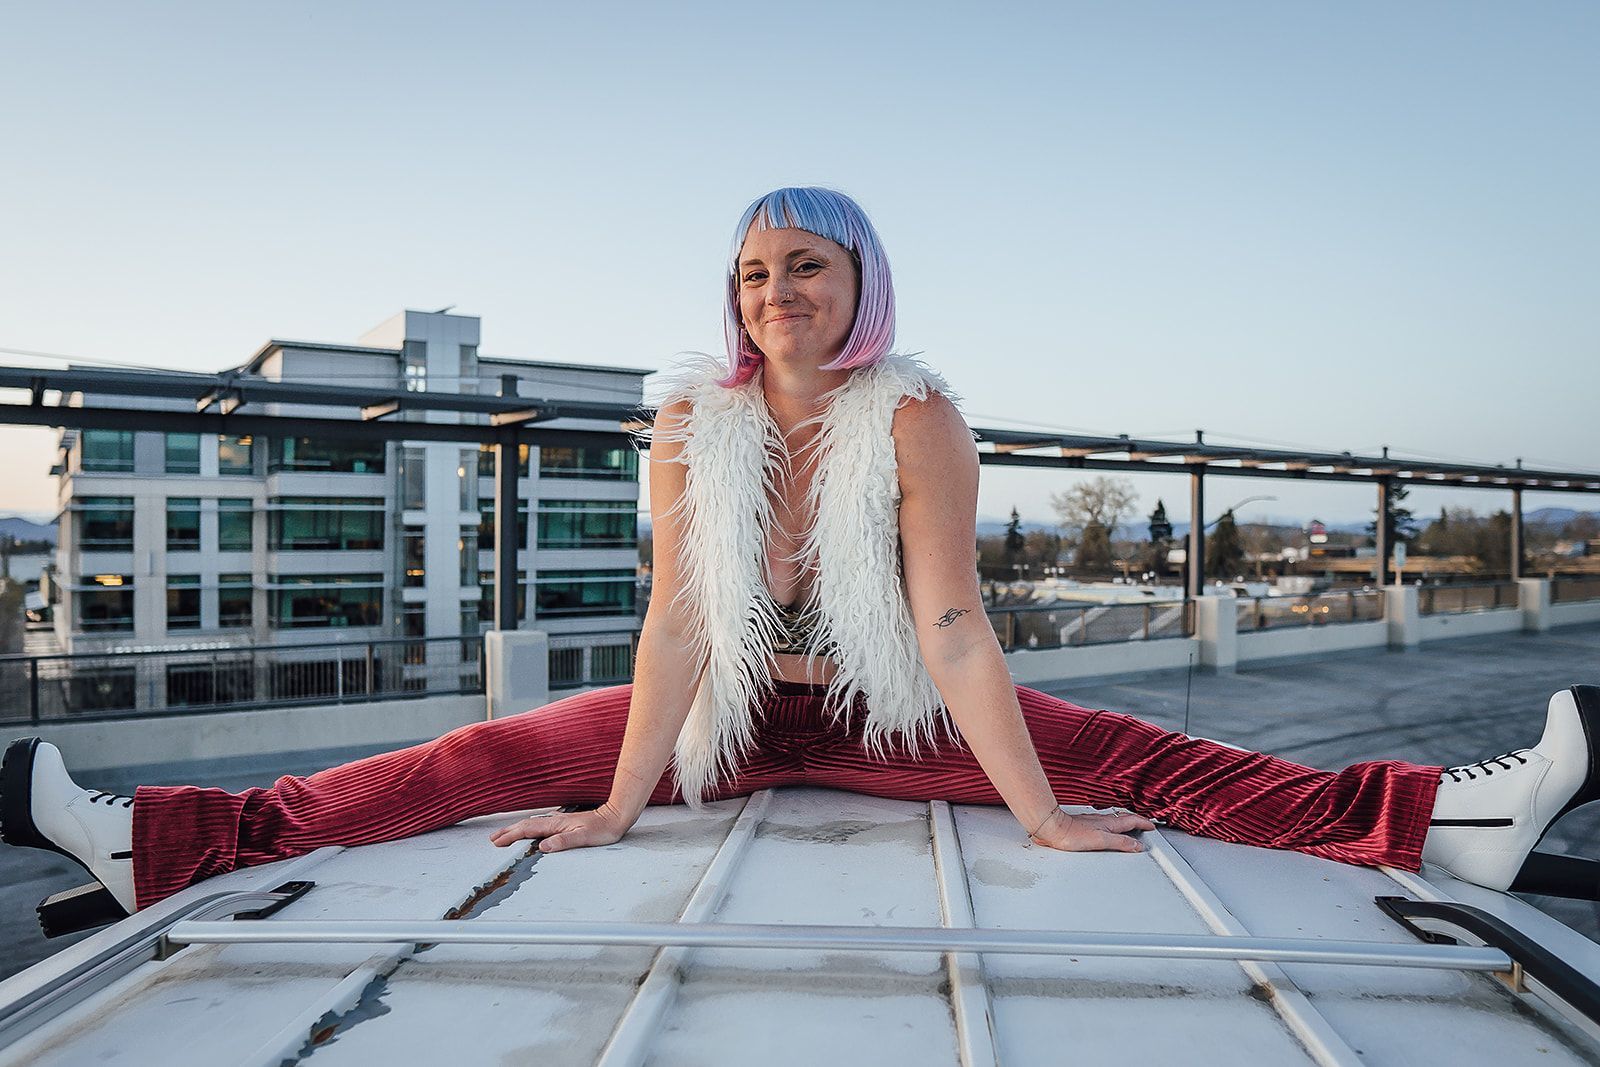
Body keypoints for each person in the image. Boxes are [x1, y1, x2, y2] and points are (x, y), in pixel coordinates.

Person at [3, 187, 1597, 929]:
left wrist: (1037, 813)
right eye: (756, 272)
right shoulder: (691, 426)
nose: (777, 294)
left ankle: (1443, 825)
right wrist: (626, 798)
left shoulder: (917, 420)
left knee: (1135, 755)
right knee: (475, 757)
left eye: (808, 269)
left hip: (884, 715)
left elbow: (958, 624)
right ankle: (164, 845)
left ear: (861, 286)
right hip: (727, 722)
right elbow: (679, 627)